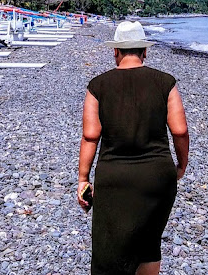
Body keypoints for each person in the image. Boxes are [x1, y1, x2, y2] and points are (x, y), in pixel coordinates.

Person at [77, 21, 189, 275]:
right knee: (149, 244)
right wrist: (181, 165)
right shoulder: (166, 82)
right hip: (157, 176)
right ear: (144, 52)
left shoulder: (98, 86)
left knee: (109, 248)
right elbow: (180, 131)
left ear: (115, 51)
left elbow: (90, 136)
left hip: (114, 177)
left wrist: (83, 178)